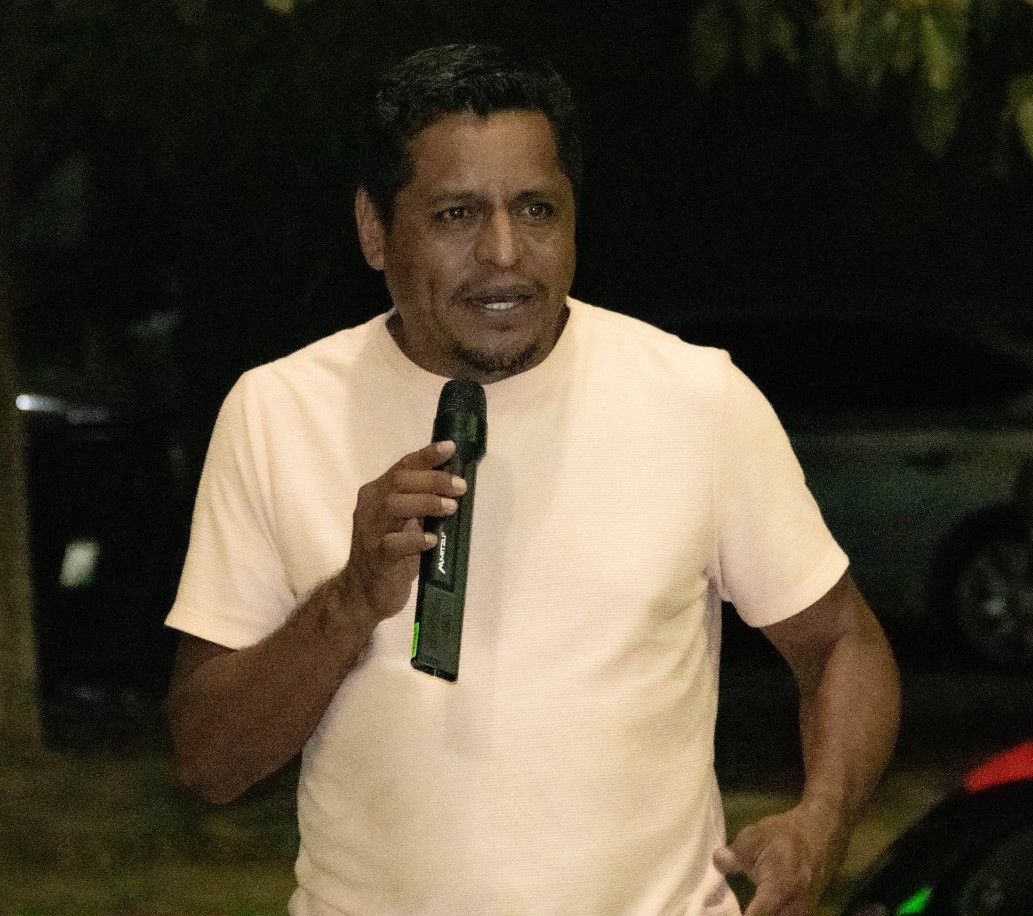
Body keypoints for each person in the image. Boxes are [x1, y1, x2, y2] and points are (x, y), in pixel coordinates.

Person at [165, 43, 900, 916]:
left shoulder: (695, 398)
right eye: (455, 215)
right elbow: (209, 762)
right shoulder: (277, 411)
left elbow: (841, 643)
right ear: (373, 228)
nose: (504, 253)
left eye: (536, 209)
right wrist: (350, 601)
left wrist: (822, 821)